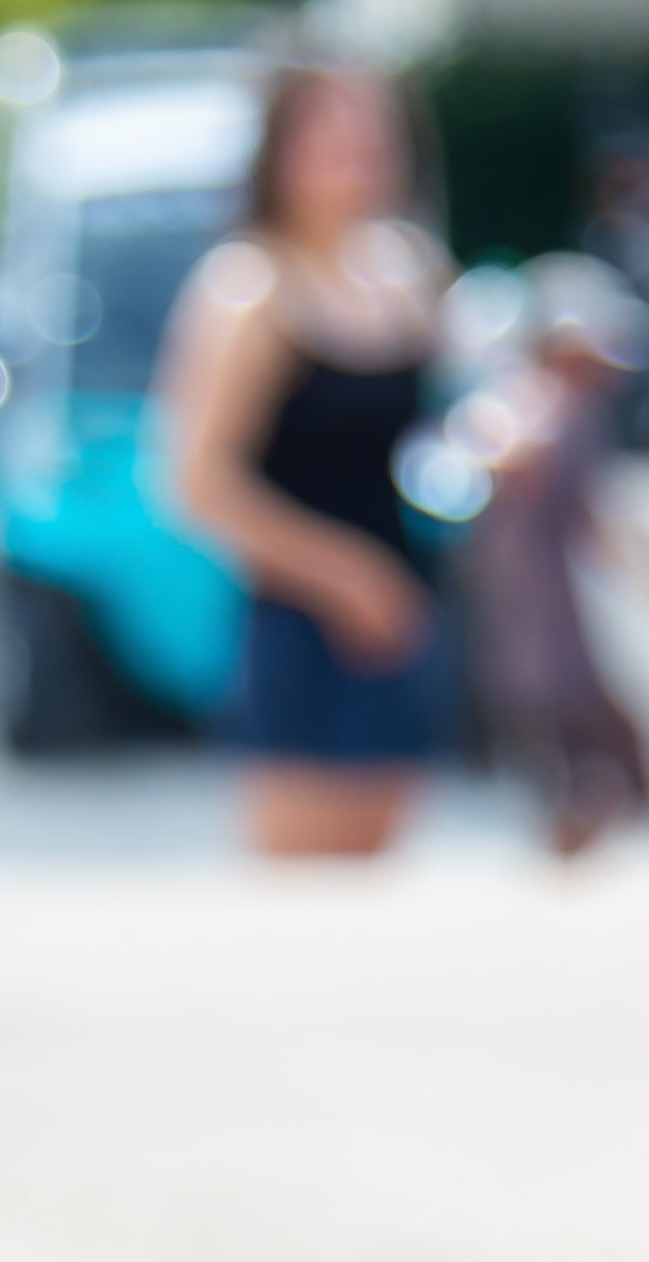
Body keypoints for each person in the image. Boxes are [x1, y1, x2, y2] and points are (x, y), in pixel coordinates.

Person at [158, 63, 454, 858]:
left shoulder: (409, 271)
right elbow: (194, 482)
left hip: (401, 620)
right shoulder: (247, 287)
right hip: (298, 625)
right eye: (330, 134)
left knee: (380, 901)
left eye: (371, 133)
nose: (356, 153)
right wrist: (346, 576)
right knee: (305, 908)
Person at [451, 259, 649, 857]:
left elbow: (608, 529)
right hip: (529, 632)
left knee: (612, 766)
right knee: (590, 763)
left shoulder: (573, 415)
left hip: (550, 629)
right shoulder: (521, 404)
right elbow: (482, 458)